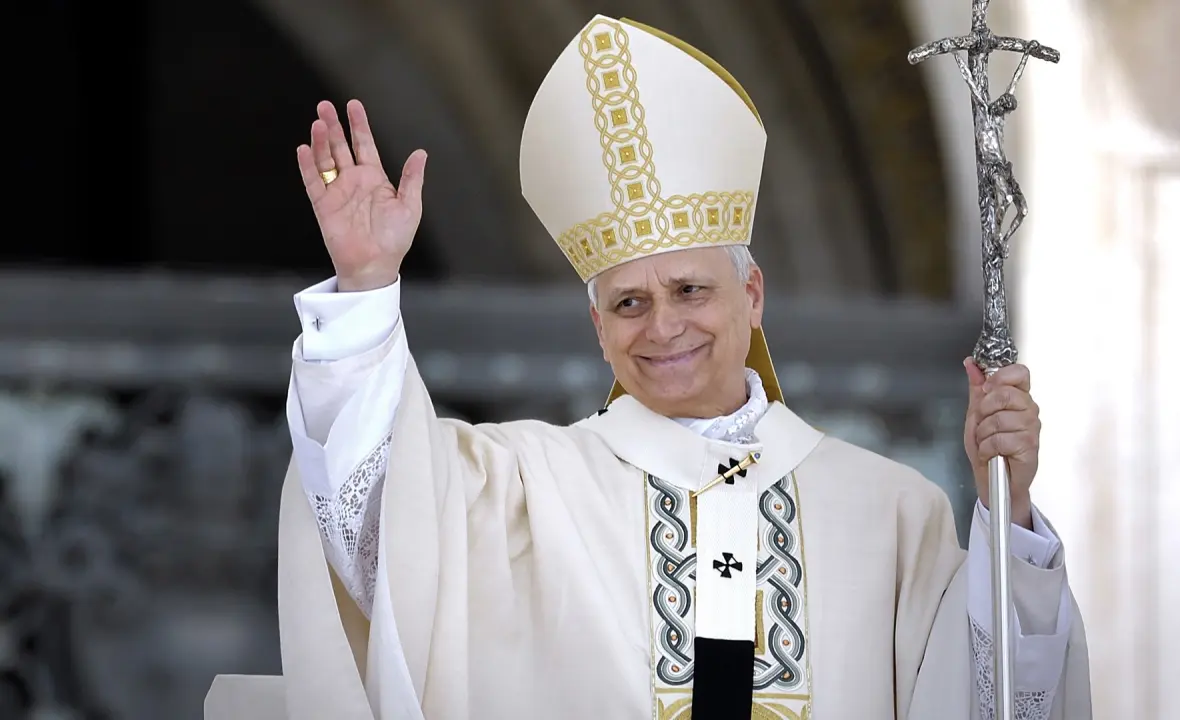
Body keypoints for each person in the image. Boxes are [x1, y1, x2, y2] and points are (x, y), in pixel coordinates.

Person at [205, 14, 1091, 720]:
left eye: (691, 290)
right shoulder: (518, 489)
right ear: (598, 328)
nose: (663, 326)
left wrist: (1008, 515)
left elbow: (995, 698)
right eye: (629, 303)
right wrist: (367, 285)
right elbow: (373, 530)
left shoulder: (892, 513)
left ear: (753, 295)